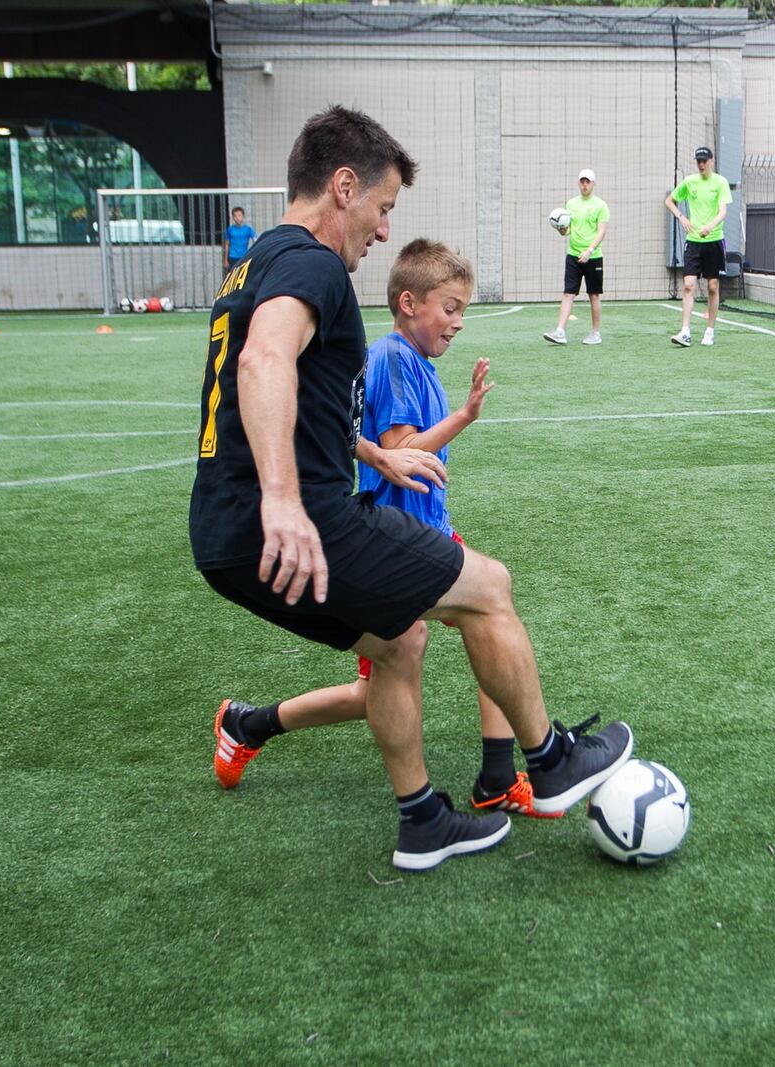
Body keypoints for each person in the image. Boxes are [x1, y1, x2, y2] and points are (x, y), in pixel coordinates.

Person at [191, 106, 633, 872]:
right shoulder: (315, 263)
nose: (385, 230)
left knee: (400, 639)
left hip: (221, 535)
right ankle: (552, 761)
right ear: (342, 186)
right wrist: (285, 499)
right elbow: (263, 365)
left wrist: (373, 453)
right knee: (489, 587)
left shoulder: (256, 260)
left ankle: (423, 819)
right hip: (297, 520)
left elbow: (284, 387)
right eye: (384, 206)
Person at [213, 237, 558, 820]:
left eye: (463, 311)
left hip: (422, 527)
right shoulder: (395, 357)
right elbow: (404, 449)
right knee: (484, 616)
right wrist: (464, 418)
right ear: (408, 303)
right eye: (450, 307)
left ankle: (251, 724)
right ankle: (250, 724)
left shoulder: (412, 359)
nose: (458, 322)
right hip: (395, 534)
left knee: (473, 630)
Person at [665, 146, 732, 348]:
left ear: (711, 161)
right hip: (693, 242)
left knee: (713, 287)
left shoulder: (720, 182)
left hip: (714, 241)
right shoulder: (689, 182)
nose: (701, 164)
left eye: (704, 161)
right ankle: (685, 331)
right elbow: (669, 201)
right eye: (698, 161)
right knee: (688, 285)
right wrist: (681, 217)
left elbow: (722, 212)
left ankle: (710, 330)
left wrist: (709, 227)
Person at [542, 168, 609, 346]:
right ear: (578, 183)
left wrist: (589, 251)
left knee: (594, 295)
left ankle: (595, 333)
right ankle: (560, 332)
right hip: (573, 255)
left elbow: (601, 231)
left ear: (594, 183)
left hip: (593, 257)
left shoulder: (601, 205)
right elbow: (569, 229)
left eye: (588, 181)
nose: (585, 185)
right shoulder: (571, 204)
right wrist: (562, 230)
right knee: (568, 294)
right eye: (582, 181)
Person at [223, 206, 256, 272]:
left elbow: (256, 241)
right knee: (233, 277)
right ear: (233, 217)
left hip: (244, 257)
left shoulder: (248, 229)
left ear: (243, 216)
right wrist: (225, 260)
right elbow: (227, 245)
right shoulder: (230, 229)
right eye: (235, 216)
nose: (237, 218)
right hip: (232, 257)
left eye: (239, 215)